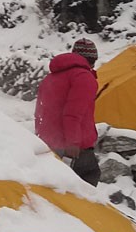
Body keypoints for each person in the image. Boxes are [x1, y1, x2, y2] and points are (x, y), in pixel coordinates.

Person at [33, 38, 101, 186]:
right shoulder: (83, 77)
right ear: (92, 59)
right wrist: (73, 143)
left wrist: (40, 138)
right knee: (87, 184)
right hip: (75, 148)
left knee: (57, 190)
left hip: (49, 145)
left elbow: (39, 113)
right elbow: (72, 114)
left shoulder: (50, 78)